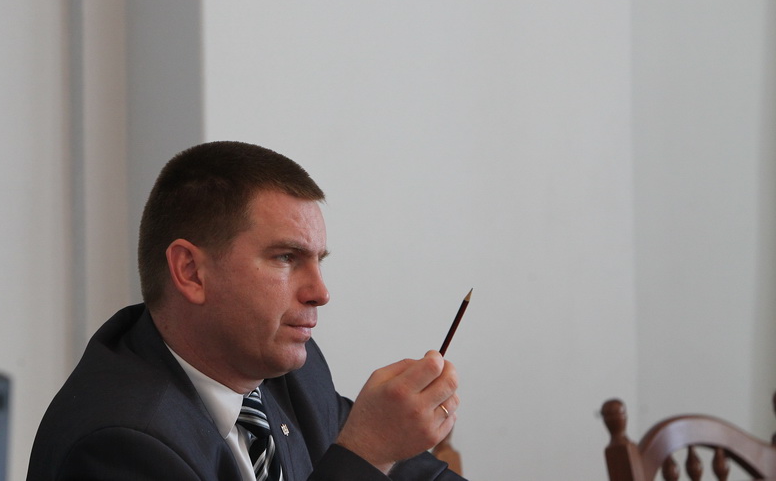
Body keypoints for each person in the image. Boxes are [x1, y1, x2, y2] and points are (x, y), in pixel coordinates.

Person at [27, 141, 465, 480]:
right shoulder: (121, 443)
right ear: (191, 272)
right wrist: (367, 452)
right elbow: (365, 457)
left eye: (319, 261)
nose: (320, 292)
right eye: (286, 258)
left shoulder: (288, 369)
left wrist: (383, 443)